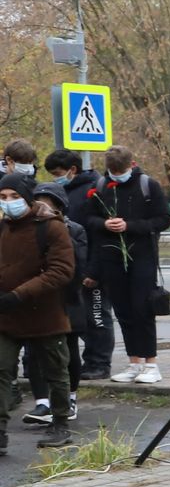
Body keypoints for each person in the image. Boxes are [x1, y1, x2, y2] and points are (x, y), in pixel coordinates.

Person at [0, 172, 75, 452]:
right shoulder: (2, 228)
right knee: (2, 369)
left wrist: (18, 295)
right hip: (7, 316)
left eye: (15, 197)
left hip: (45, 314)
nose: (9, 203)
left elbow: (61, 271)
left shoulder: (51, 227)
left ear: (28, 198)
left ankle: (60, 423)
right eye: (3, 197)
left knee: (55, 371)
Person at [82, 146, 170, 385]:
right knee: (123, 310)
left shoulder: (147, 185)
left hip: (142, 257)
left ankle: (151, 363)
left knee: (143, 309)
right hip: (111, 258)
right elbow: (89, 219)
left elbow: (163, 219)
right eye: (112, 171)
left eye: (120, 171)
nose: (116, 175)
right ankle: (134, 363)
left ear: (132, 164)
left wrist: (129, 226)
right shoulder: (99, 187)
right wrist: (105, 224)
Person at [21, 184, 87, 436]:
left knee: (66, 351)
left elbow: (75, 265)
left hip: (66, 300)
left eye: (47, 202)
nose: (42, 207)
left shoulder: (74, 230)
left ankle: (69, 399)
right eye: (37, 202)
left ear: (59, 205)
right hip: (35, 300)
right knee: (34, 353)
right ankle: (42, 402)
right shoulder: (24, 229)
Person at [44, 150, 111, 379]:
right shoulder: (63, 191)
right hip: (71, 270)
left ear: (72, 170)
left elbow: (100, 234)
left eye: (58, 173)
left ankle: (99, 363)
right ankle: (88, 362)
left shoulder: (93, 190)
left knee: (97, 316)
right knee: (79, 319)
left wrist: (93, 269)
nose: (55, 178)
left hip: (92, 267)